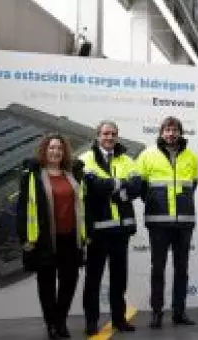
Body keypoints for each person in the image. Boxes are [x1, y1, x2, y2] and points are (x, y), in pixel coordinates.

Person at [16, 133, 86, 339]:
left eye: (59, 148)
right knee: (46, 284)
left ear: (64, 153)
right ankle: (51, 324)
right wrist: (25, 239)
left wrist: (85, 235)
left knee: (69, 282)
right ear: (44, 151)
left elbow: (82, 206)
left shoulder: (73, 175)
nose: (55, 151)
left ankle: (61, 320)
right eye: (52, 148)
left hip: (70, 238)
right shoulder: (33, 176)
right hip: (45, 239)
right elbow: (22, 209)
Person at [78, 121, 141, 336]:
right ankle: (91, 321)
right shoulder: (85, 160)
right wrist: (118, 184)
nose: (110, 137)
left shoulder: (128, 160)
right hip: (97, 231)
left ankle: (119, 320)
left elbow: (136, 187)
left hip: (120, 231)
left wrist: (116, 189)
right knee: (93, 279)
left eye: (113, 133)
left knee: (119, 279)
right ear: (97, 136)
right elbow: (91, 187)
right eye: (106, 133)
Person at [136, 116, 198, 329]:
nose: (171, 134)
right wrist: (156, 204)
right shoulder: (147, 155)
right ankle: (156, 312)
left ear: (180, 133)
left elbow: (193, 185)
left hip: (184, 223)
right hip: (158, 223)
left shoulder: (191, 157)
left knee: (182, 269)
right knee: (158, 269)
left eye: (174, 130)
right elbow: (141, 187)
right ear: (161, 133)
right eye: (167, 130)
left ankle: (179, 312)